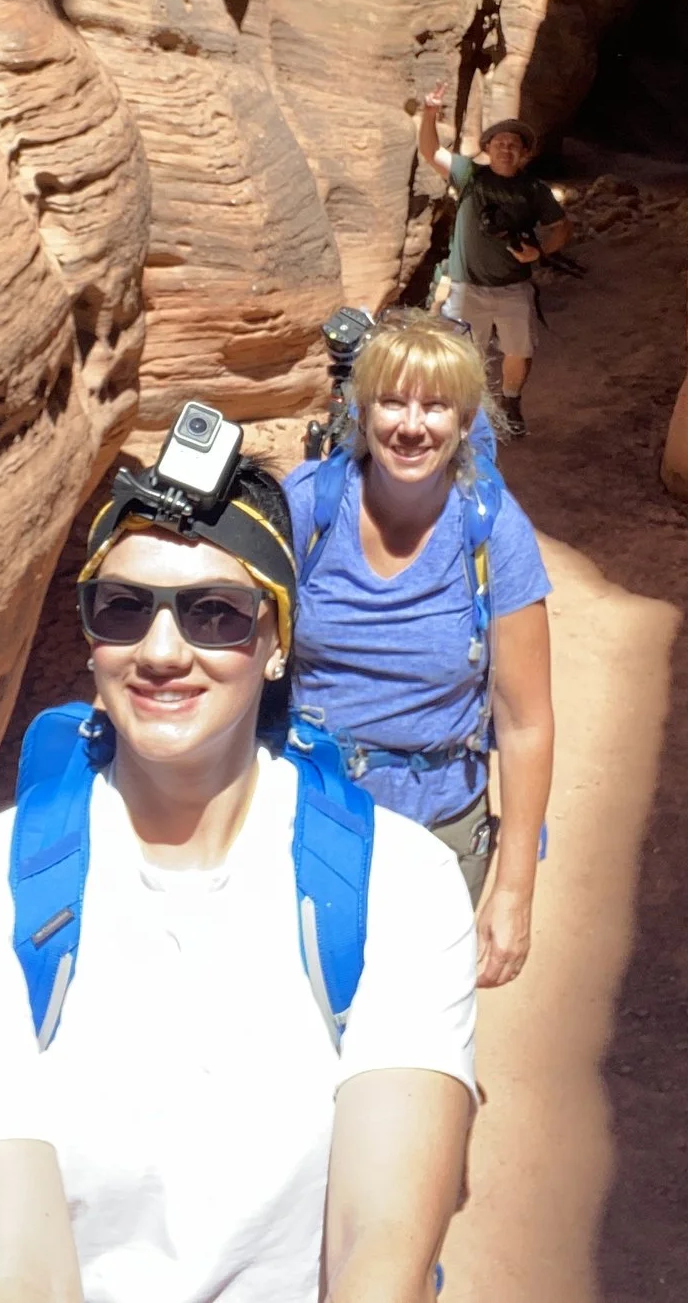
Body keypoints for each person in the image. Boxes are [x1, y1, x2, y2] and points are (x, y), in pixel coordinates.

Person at [0, 423, 478, 1303]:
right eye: (124, 608)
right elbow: (14, 1272)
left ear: (276, 643)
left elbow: (385, 1244)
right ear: (91, 639)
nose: (163, 652)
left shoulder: (403, 886)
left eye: (216, 613)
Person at [283, 313, 555, 987]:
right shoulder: (306, 508)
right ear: (361, 408)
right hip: (306, 821)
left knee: (413, 1033)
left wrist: (514, 890)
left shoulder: (494, 533)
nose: (412, 424)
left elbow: (525, 723)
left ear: (463, 422)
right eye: (392, 401)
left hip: (440, 830)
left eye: (435, 405)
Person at [416, 82, 569, 437]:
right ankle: (462, 416)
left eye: (514, 145)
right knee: (463, 356)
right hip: (467, 286)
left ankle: (510, 401)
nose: (506, 149)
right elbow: (430, 150)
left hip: (513, 287)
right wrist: (429, 113)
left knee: (519, 350)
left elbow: (561, 226)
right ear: (486, 149)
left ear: (525, 154)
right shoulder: (470, 176)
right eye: (499, 143)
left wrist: (542, 252)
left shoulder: (533, 190)